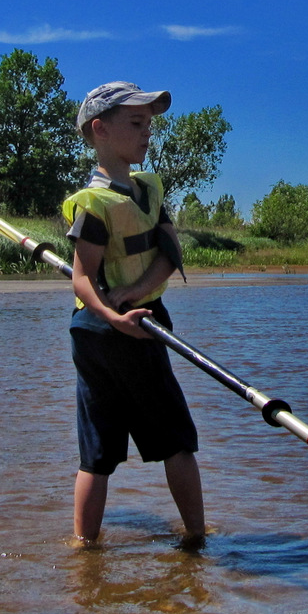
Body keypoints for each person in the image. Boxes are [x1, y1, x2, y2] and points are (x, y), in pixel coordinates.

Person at [61, 81, 204, 547]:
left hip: (140, 319)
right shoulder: (94, 204)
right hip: (105, 331)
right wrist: (114, 313)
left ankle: (89, 563)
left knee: (159, 442)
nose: (147, 135)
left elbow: (169, 253)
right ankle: (195, 541)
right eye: (136, 124)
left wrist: (134, 293)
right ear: (100, 130)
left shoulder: (148, 190)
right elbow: (82, 278)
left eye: (150, 126)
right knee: (133, 447)